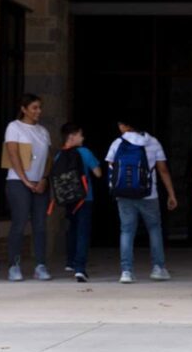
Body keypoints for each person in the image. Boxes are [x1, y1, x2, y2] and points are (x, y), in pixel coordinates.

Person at [106, 117, 178, 284]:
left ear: (126, 125)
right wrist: (171, 194)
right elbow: (163, 170)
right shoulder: (153, 142)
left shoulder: (117, 143)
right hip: (149, 194)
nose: (119, 127)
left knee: (127, 231)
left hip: (123, 194)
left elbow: (111, 167)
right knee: (154, 229)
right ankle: (158, 268)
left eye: (120, 124)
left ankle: (126, 271)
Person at [3, 94, 53, 282]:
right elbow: (13, 154)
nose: (38, 111)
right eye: (34, 108)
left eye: (39, 107)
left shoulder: (43, 131)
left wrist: (44, 179)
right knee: (20, 222)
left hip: (40, 183)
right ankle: (14, 266)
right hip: (18, 182)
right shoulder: (14, 127)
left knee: (40, 225)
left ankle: (40, 265)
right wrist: (25, 180)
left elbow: (47, 158)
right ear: (24, 109)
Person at [58, 123, 102, 282]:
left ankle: (70, 262)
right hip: (85, 198)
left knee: (72, 229)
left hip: (69, 200)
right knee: (83, 232)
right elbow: (98, 173)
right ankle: (80, 268)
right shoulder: (85, 152)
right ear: (72, 137)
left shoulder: (59, 156)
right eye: (80, 134)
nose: (83, 138)